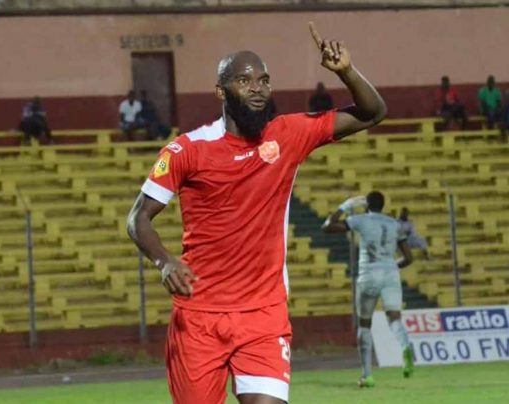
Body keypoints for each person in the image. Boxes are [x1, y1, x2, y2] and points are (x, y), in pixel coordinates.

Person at [127, 22, 387, 404]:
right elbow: (137, 219)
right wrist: (164, 261)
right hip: (200, 316)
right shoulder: (187, 151)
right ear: (221, 91)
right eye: (244, 81)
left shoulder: (288, 134)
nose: (257, 88)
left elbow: (373, 113)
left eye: (264, 80)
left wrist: (345, 71)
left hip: (264, 315)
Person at [322, 192, 414, 388]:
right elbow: (408, 258)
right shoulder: (394, 224)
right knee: (394, 318)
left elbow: (328, 227)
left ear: (367, 205)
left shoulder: (360, 220)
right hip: (391, 274)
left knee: (364, 325)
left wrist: (345, 206)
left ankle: (367, 375)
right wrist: (391, 266)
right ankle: (406, 345)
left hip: (369, 274)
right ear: (383, 205)